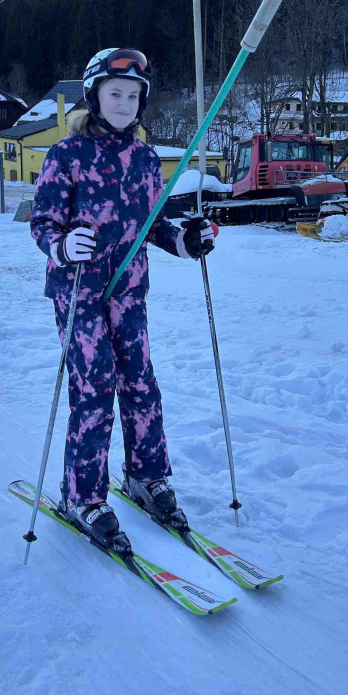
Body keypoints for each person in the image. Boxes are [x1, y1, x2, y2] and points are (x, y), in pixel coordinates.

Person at [30, 48, 216, 550]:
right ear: (94, 96)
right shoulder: (66, 155)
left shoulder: (146, 160)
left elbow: (153, 224)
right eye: (115, 93)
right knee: (94, 386)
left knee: (140, 383)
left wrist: (185, 241)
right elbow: (42, 222)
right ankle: (83, 496)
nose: (124, 103)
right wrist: (62, 245)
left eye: (133, 96)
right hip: (80, 291)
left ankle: (145, 475)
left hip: (128, 291)